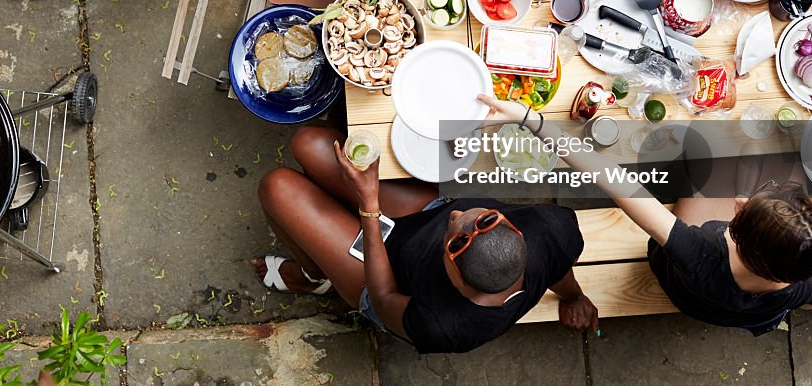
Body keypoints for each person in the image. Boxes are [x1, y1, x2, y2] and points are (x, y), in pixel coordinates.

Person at [479, 95, 812, 335]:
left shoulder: (700, 251)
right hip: (728, 309)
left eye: (745, 207)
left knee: (713, 151)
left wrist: (531, 120)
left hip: (680, 284)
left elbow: (614, 179)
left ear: (737, 222)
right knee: (766, 162)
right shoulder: (806, 280)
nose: (740, 200)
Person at [251, 126, 599, 354]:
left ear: (458, 283)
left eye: (455, 243)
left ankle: (314, 276)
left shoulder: (444, 325)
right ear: (516, 232)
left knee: (277, 186)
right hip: (422, 217)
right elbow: (557, 265)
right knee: (308, 143)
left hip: (387, 280)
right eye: (486, 219)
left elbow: (385, 300)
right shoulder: (550, 228)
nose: (455, 215)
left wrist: (369, 206)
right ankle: (327, 238)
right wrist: (575, 296)